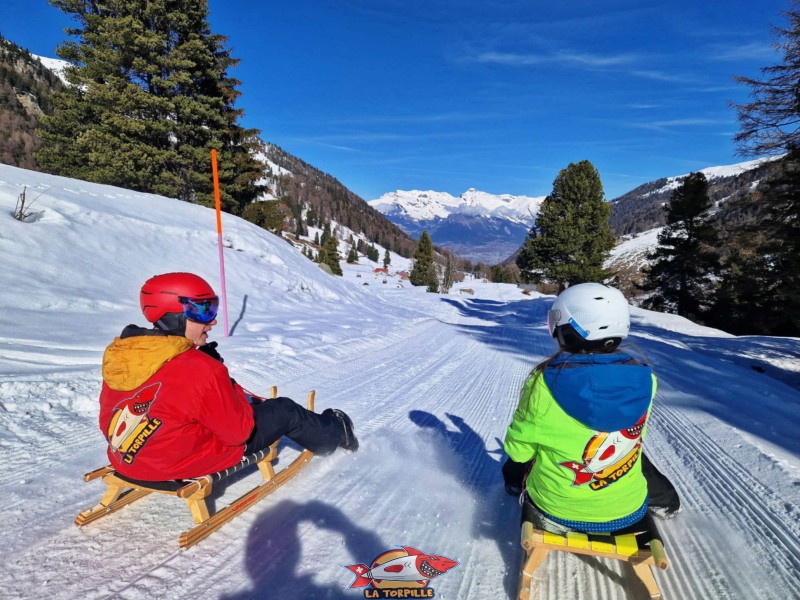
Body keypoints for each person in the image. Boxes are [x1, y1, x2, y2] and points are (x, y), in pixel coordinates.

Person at [99, 272, 358, 482]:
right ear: (173, 315)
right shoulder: (201, 368)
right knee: (284, 410)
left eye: (212, 309)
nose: (211, 322)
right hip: (177, 464)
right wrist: (221, 381)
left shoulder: (125, 354)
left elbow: (118, 416)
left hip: (129, 461)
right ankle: (336, 433)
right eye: (202, 312)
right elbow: (237, 434)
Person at [502, 283, 680, 535]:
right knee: (634, 454)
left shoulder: (544, 382)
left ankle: (514, 488)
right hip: (627, 511)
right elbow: (639, 436)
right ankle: (665, 501)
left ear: (566, 329)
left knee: (523, 458)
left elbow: (519, 450)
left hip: (556, 511)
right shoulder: (645, 378)